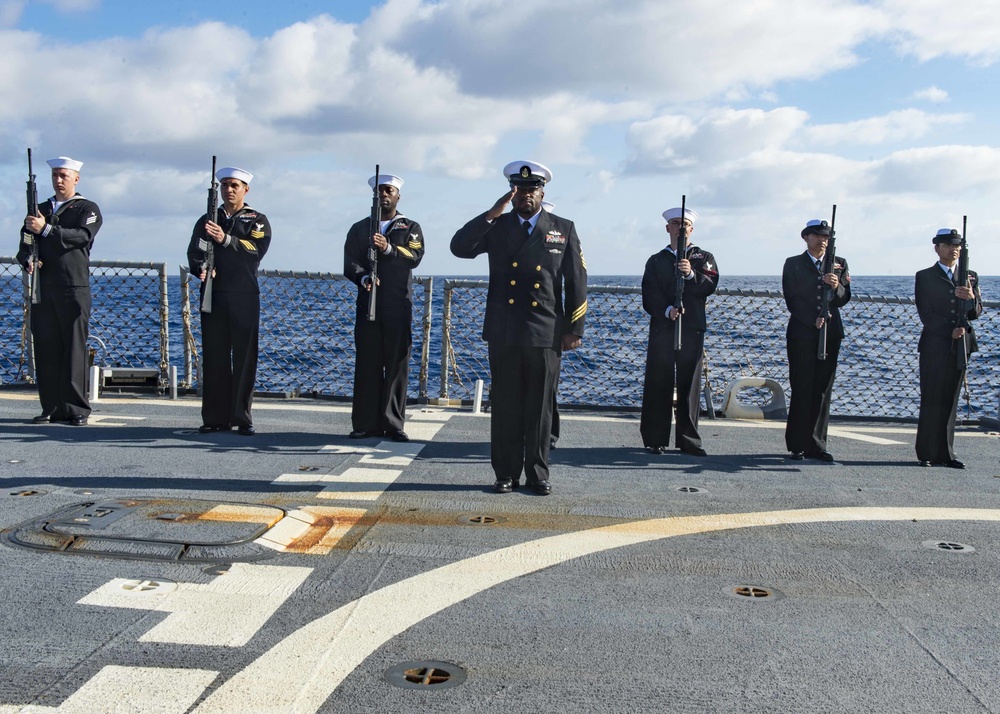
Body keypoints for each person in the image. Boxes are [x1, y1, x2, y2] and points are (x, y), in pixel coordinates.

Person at [450, 160, 587, 495]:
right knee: (507, 406)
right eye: (520, 190)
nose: (526, 195)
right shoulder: (497, 225)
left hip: (545, 330)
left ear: (542, 192)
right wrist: (492, 212)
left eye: (532, 189)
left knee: (540, 408)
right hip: (505, 329)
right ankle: (505, 473)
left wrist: (574, 328)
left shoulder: (562, 228)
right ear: (512, 194)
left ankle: (538, 474)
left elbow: (577, 280)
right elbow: (459, 248)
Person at [17, 156, 103, 426]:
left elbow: (81, 237)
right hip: (44, 287)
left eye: (63, 175)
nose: (58, 179)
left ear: (75, 179)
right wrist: (27, 258)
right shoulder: (39, 210)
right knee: (46, 348)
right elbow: (25, 243)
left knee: (74, 348)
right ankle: (51, 407)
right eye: (55, 175)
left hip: (73, 286)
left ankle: (76, 408)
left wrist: (47, 229)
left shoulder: (86, 208)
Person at [186, 166, 271, 436]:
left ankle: (242, 417)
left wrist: (225, 239)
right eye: (225, 185)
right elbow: (194, 251)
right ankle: (214, 417)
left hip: (243, 295)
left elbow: (254, 251)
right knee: (215, 356)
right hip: (214, 293)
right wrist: (200, 267)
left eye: (234, 185)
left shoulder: (256, 220)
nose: (229, 189)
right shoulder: (207, 220)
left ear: (245, 189)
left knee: (244, 357)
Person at [344, 173, 425, 441]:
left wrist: (389, 248)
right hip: (368, 304)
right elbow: (350, 263)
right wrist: (363, 277)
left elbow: (414, 257)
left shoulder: (410, 227)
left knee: (396, 365)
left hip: (397, 305)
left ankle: (393, 423)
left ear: (398, 195)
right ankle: (365, 423)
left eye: (389, 190)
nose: (384, 195)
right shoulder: (360, 228)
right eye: (380, 190)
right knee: (367, 363)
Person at [640, 206, 719, 456]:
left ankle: (689, 440)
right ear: (667, 228)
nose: (680, 227)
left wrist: (690, 274)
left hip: (691, 328)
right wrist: (666, 310)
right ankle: (655, 438)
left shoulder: (703, 257)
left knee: (689, 385)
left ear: (692, 229)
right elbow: (649, 294)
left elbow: (709, 284)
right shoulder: (656, 260)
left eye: (684, 224)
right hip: (663, 329)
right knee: (658, 382)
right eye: (675, 223)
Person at [782, 219, 851, 461]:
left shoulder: (838, 264)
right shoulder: (794, 264)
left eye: (826, 236)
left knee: (823, 388)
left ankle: (817, 444)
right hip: (803, 331)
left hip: (830, 332)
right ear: (806, 238)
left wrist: (837, 286)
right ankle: (797, 444)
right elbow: (792, 297)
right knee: (802, 387)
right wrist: (811, 318)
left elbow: (845, 297)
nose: (822, 240)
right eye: (817, 235)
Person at [914, 228, 982, 469]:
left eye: (956, 245)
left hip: (961, 344)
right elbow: (926, 313)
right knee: (932, 397)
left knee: (951, 400)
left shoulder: (969, 276)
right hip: (936, 343)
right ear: (937, 248)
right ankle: (926, 452)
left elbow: (975, 312)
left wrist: (971, 297)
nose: (953, 249)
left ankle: (946, 453)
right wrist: (947, 331)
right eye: (947, 244)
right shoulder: (925, 276)